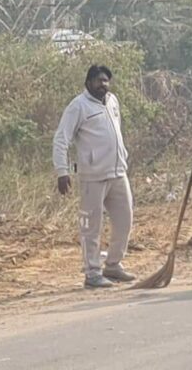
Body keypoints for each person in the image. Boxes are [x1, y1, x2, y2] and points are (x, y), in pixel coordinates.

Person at [52, 65, 135, 288]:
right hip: (92, 176)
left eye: (106, 81)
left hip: (117, 172)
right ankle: (92, 272)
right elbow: (61, 139)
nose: (103, 85)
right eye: (99, 81)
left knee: (125, 220)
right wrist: (62, 171)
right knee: (91, 226)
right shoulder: (78, 106)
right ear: (88, 83)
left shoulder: (112, 101)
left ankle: (114, 265)